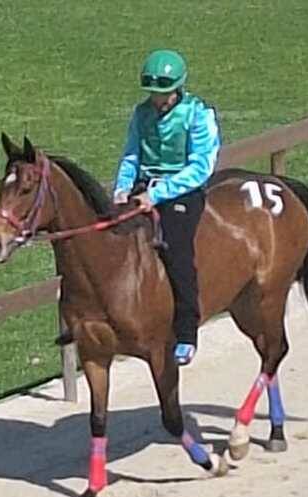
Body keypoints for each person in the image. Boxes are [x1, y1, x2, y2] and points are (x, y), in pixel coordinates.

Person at [113, 48, 222, 366]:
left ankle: (187, 332)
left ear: (177, 89)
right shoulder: (141, 113)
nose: (157, 100)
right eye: (153, 94)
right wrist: (122, 187)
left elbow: (201, 167)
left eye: (163, 94)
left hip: (182, 191)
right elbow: (132, 155)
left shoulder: (198, 114)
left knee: (178, 250)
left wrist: (158, 194)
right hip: (143, 187)